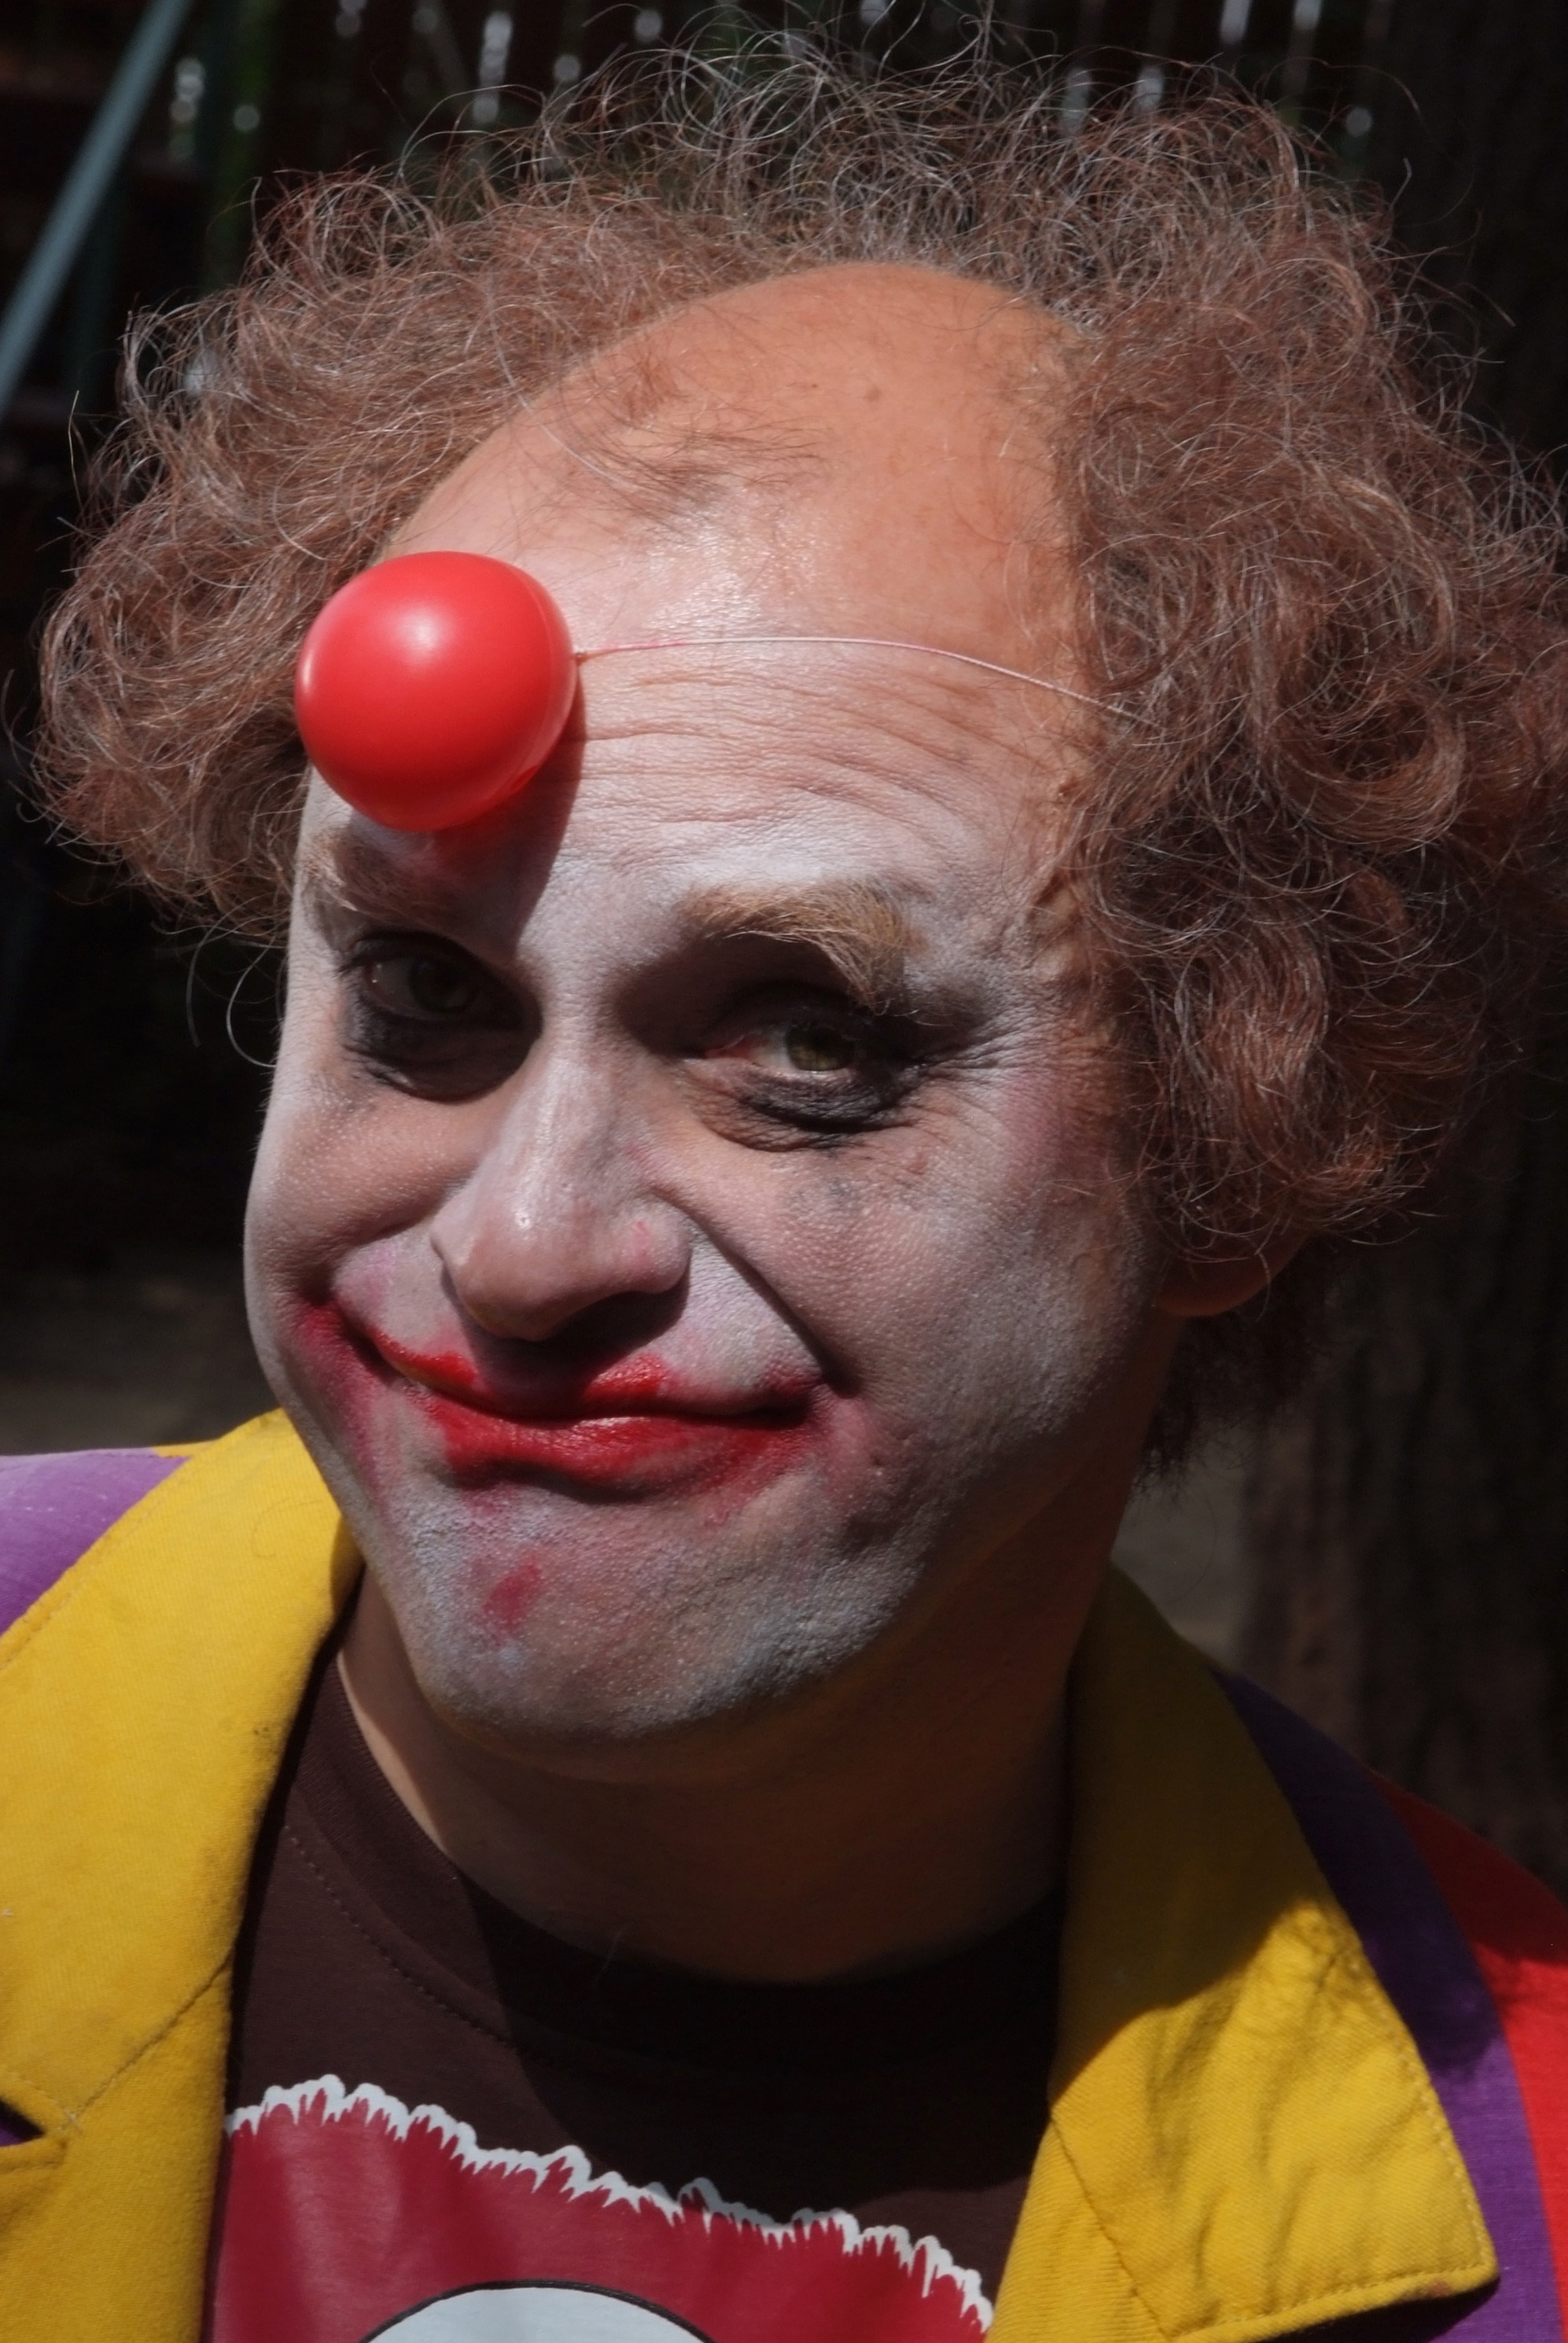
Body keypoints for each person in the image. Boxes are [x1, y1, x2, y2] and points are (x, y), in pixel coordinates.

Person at [6, 50, 1568, 2343]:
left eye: (808, 1040)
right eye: (424, 994)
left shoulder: (1531, 2204)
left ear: (1238, 1131)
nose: (520, 1248)